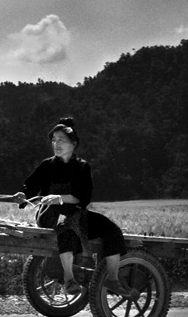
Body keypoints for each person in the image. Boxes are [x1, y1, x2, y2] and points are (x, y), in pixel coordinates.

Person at [10, 117, 137, 299]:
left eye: (61, 140)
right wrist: (22, 195)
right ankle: (69, 278)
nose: (56, 144)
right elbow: (29, 186)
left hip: (76, 213)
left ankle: (113, 279)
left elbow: (83, 197)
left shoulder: (82, 167)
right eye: (54, 140)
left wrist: (59, 198)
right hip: (50, 214)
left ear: (73, 143)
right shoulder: (47, 166)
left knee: (111, 229)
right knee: (66, 226)